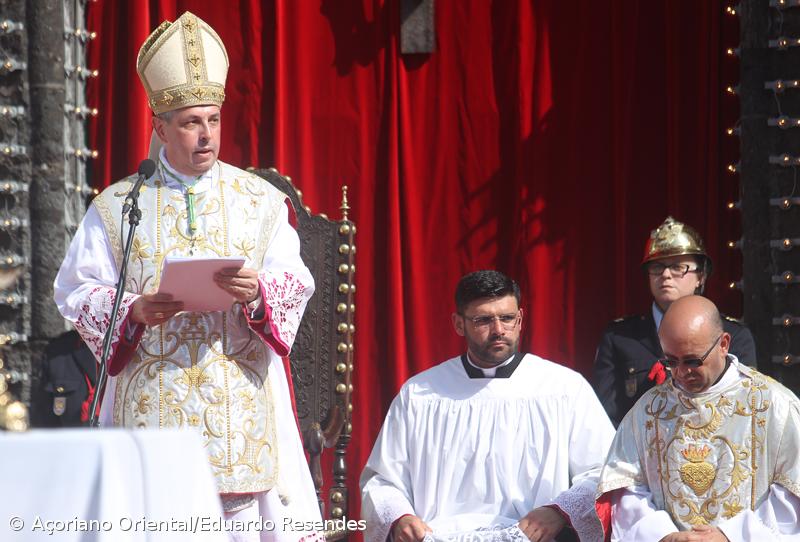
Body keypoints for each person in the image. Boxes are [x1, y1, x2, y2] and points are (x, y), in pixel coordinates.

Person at [54, 12, 322, 542]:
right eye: (190, 122)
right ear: (159, 126)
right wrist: (132, 309)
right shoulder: (118, 205)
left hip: (235, 407)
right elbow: (75, 290)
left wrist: (260, 293)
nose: (205, 135)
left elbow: (296, 281)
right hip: (153, 402)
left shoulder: (261, 202)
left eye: (214, 120)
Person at [361, 270, 616, 542]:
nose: (498, 330)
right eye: (483, 320)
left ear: (520, 319)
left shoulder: (563, 388)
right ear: (459, 324)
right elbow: (382, 481)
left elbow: (604, 472)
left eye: (507, 318)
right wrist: (402, 518)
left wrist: (558, 512)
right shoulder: (420, 394)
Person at [595, 295, 800, 541]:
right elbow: (626, 485)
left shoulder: (774, 405)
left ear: (724, 344)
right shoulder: (649, 410)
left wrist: (732, 535)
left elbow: (793, 491)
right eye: (670, 361)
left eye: (693, 361)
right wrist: (662, 533)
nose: (681, 373)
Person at [592, 216, 756, 427]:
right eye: (657, 267)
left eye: (678, 267)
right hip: (641, 453)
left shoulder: (734, 335)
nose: (666, 275)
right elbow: (606, 417)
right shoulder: (619, 337)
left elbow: (744, 408)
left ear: (701, 276)